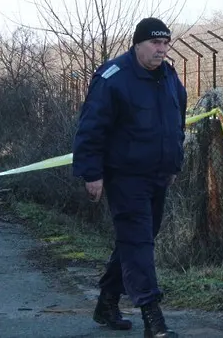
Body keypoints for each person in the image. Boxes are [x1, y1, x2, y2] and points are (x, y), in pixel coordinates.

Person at [73, 17, 187, 338]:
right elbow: (91, 128)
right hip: (124, 176)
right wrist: (91, 173)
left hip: (158, 175)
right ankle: (154, 319)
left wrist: (174, 163)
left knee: (138, 239)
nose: (161, 50)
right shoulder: (113, 78)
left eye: (165, 44)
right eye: (155, 43)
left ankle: (107, 302)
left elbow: (177, 121)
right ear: (137, 44)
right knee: (138, 242)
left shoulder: (168, 76)